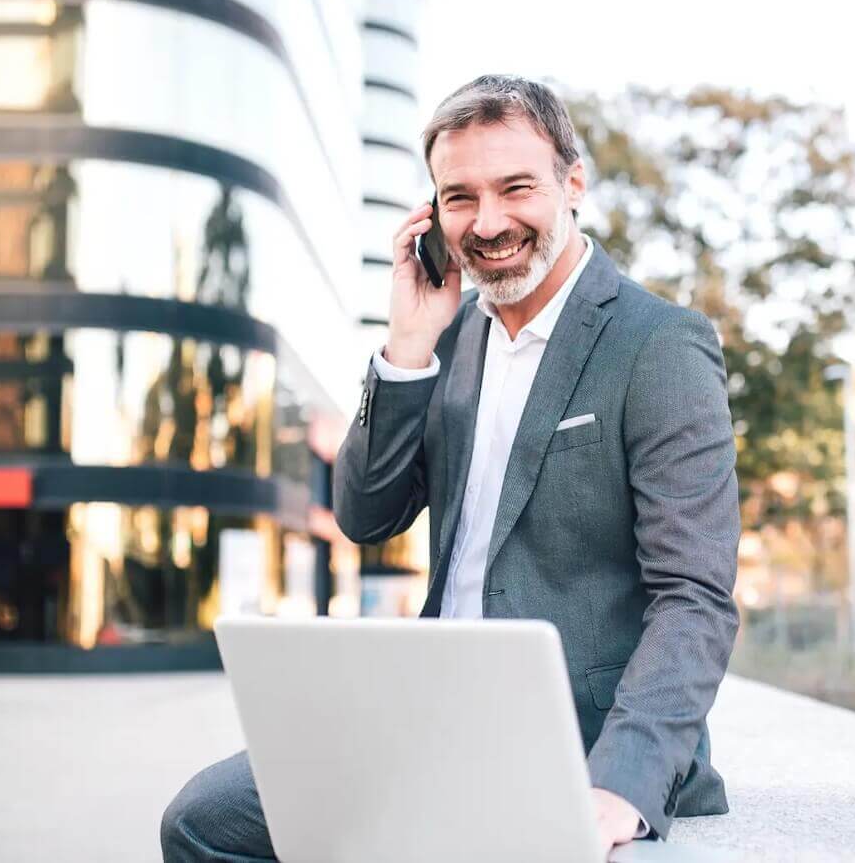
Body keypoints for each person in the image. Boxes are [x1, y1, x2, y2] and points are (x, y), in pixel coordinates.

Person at [161, 74, 740, 860]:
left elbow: (695, 597)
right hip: (432, 714)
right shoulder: (450, 340)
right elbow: (365, 517)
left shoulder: (658, 343)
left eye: (516, 188)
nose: (490, 222)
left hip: (584, 737)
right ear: (432, 214)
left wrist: (621, 786)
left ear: (573, 185)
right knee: (202, 821)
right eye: (460, 197)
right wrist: (405, 350)